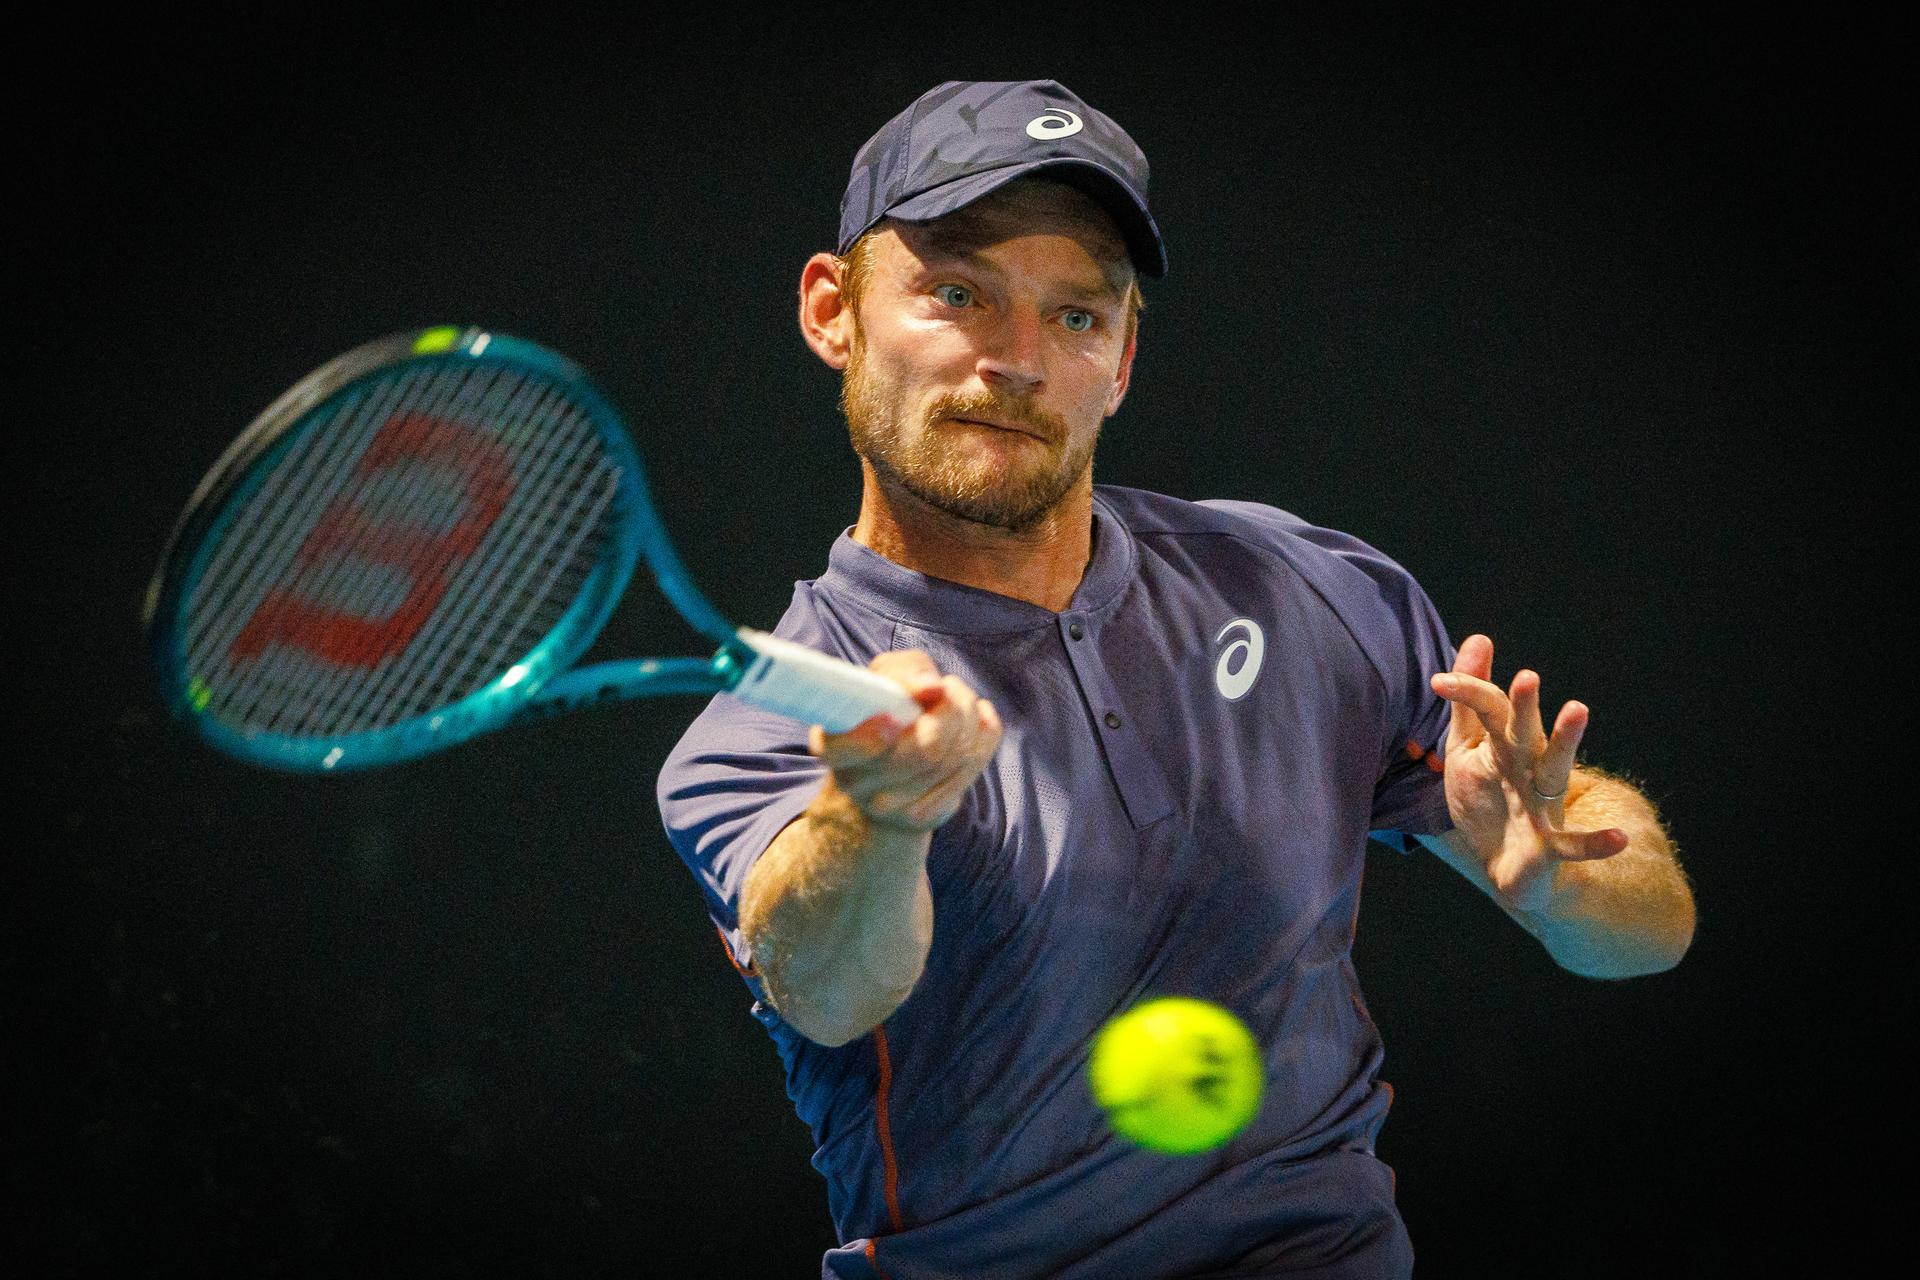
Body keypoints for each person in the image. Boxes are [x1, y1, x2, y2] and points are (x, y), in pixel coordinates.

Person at [655, 79, 1694, 1280]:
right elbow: (832, 991)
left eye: (1079, 317)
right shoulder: (759, 729)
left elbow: (1650, 934)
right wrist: (875, 812)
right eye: (957, 293)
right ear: (833, 311)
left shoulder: (1299, 584)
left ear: (1126, 360)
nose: (1020, 362)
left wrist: (1558, 877)